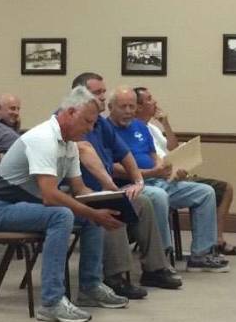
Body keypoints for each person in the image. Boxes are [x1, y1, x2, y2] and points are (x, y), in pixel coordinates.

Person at [0, 87, 128, 322]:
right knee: (61, 215)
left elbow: (80, 190)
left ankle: (90, 286)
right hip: (0, 209)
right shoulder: (43, 138)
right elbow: (50, 195)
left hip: (29, 205)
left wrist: (105, 203)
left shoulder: (69, 144)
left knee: (87, 215)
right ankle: (51, 302)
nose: (91, 129)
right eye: (87, 122)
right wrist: (93, 212)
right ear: (70, 113)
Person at [69, 74, 182, 298]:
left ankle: (154, 268)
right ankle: (115, 276)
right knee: (115, 204)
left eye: (103, 91)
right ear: (79, 96)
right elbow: (85, 152)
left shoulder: (101, 123)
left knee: (144, 202)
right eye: (97, 93)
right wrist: (112, 188)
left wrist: (139, 180)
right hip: (76, 192)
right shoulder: (70, 119)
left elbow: (124, 153)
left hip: (102, 189)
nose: (102, 96)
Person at [106, 86, 229, 273]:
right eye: (123, 107)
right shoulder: (105, 130)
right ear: (110, 107)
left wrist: (166, 169)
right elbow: (111, 168)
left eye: (131, 107)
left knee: (205, 192)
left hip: (157, 180)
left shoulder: (140, 127)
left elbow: (154, 155)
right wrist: (150, 173)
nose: (128, 111)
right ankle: (161, 258)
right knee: (159, 195)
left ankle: (200, 255)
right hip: (130, 186)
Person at [134, 86, 236, 256]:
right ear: (139, 107)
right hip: (160, 179)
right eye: (149, 99)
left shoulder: (152, 128)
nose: (155, 102)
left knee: (223, 188)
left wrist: (165, 122)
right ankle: (203, 247)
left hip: (174, 174)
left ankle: (216, 241)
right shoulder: (134, 130)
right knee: (212, 191)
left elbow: (172, 148)